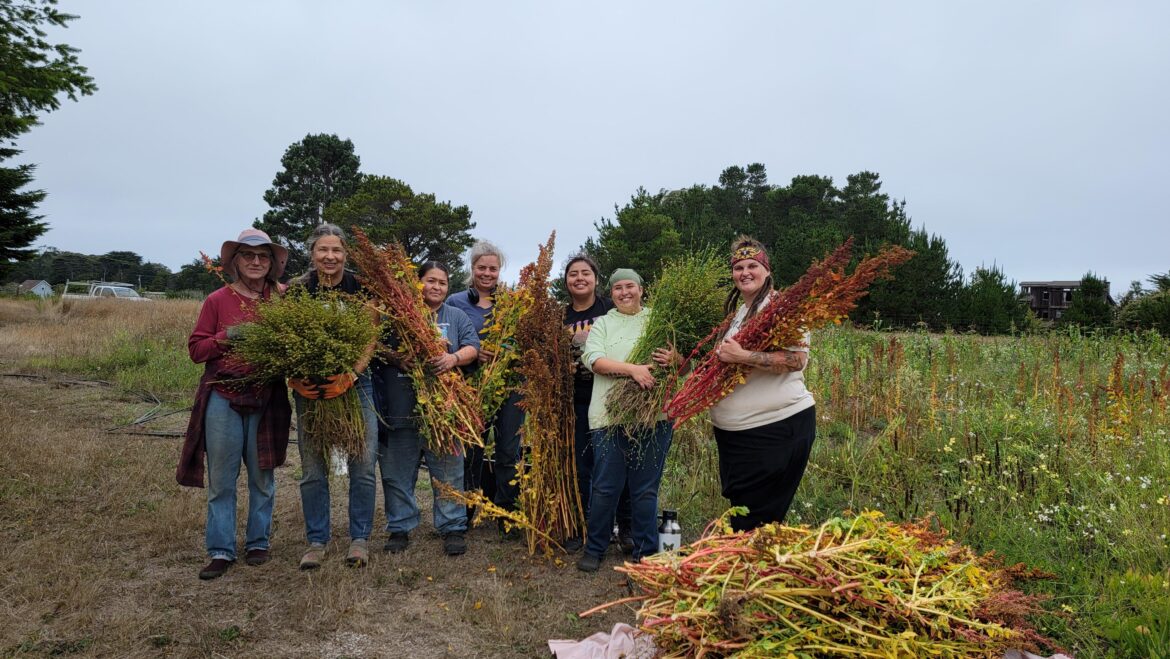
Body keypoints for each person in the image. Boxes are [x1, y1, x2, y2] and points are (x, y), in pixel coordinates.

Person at [178, 229, 291, 580]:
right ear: (236, 262)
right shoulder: (217, 300)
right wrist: (227, 337)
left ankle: (258, 542)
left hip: (267, 397)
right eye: (248, 256)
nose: (256, 262)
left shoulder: (283, 299)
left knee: (262, 476)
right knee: (222, 479)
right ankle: (221, 550)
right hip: (223, 397)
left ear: (272, 263)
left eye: (263, 257)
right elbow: (197, 351)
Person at [285, 224, 380, 570]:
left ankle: (359, 538)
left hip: (357, 381)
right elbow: (287, 340)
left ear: (346, 254)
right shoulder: (298, 290)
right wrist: (297, 379)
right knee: (312, 466)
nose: (330, 257)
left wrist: (351, 374)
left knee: (363, 463)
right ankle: (317, 540)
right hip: (311, 385)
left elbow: (370, 335)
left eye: (336, 250)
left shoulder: (359, 287)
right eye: (323, 250)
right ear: (312, 253)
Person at [709, 237, 815, 532]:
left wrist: (743, 356)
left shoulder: (783, 308)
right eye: (738, 267)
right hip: (737, 434)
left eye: (752, 266)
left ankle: (754, 574)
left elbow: (796, 360)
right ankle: (751, 571)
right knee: (746, 516)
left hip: (774, 428)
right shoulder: (738, 313)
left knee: (756, 522)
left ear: (767, 271)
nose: (745, 272)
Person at [375, 261, 479, 556]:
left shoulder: (456, 316)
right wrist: (398, 357)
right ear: (417, 283)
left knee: (449, 470)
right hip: (401, 407)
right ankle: (400, 526)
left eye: (442, 283)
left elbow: (472, 345)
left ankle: (452, 526)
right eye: (430, 281)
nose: (436, 287)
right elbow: (375, 346)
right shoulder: (397, 315)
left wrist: (453, 359)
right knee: (396, 471)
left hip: (444, 412)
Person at [576, 269, 676, 572]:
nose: (624, 292)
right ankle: (595, 546)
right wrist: (633, 370)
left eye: (629, 286)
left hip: (653, 417)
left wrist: (676, 360)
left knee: (645, 489)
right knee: (606, 486)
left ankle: (645, 552)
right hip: (609, 417)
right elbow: (594, 360)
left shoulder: (660, 319)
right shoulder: (603, 323)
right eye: (617, 288)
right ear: (612, 293)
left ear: (641, 289)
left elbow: (682, 366)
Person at [447, 240, 524, 536]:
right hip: (472, 386)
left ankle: (506, 513)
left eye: (493, 268)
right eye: (482, 267)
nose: (487, 273)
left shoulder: (512, 303)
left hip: (508, 388)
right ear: (472, 268)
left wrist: (507, 353)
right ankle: (464, 512)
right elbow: (447, 339)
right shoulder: (456, 302)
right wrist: (474, 351)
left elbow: (523, 342)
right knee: (471, 450)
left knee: (508, 451)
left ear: (500, 270)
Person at [560, 254, 632, 553]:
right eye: (573, 274)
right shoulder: (559, 317)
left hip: (611, 399)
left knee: (618, 464)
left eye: (585, 273)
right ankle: (582, 524)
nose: (579, 278)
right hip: (575, 401)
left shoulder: (611, 310)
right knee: (581, 466)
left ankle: (626, 526)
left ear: (596, 279)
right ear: (566, 281)